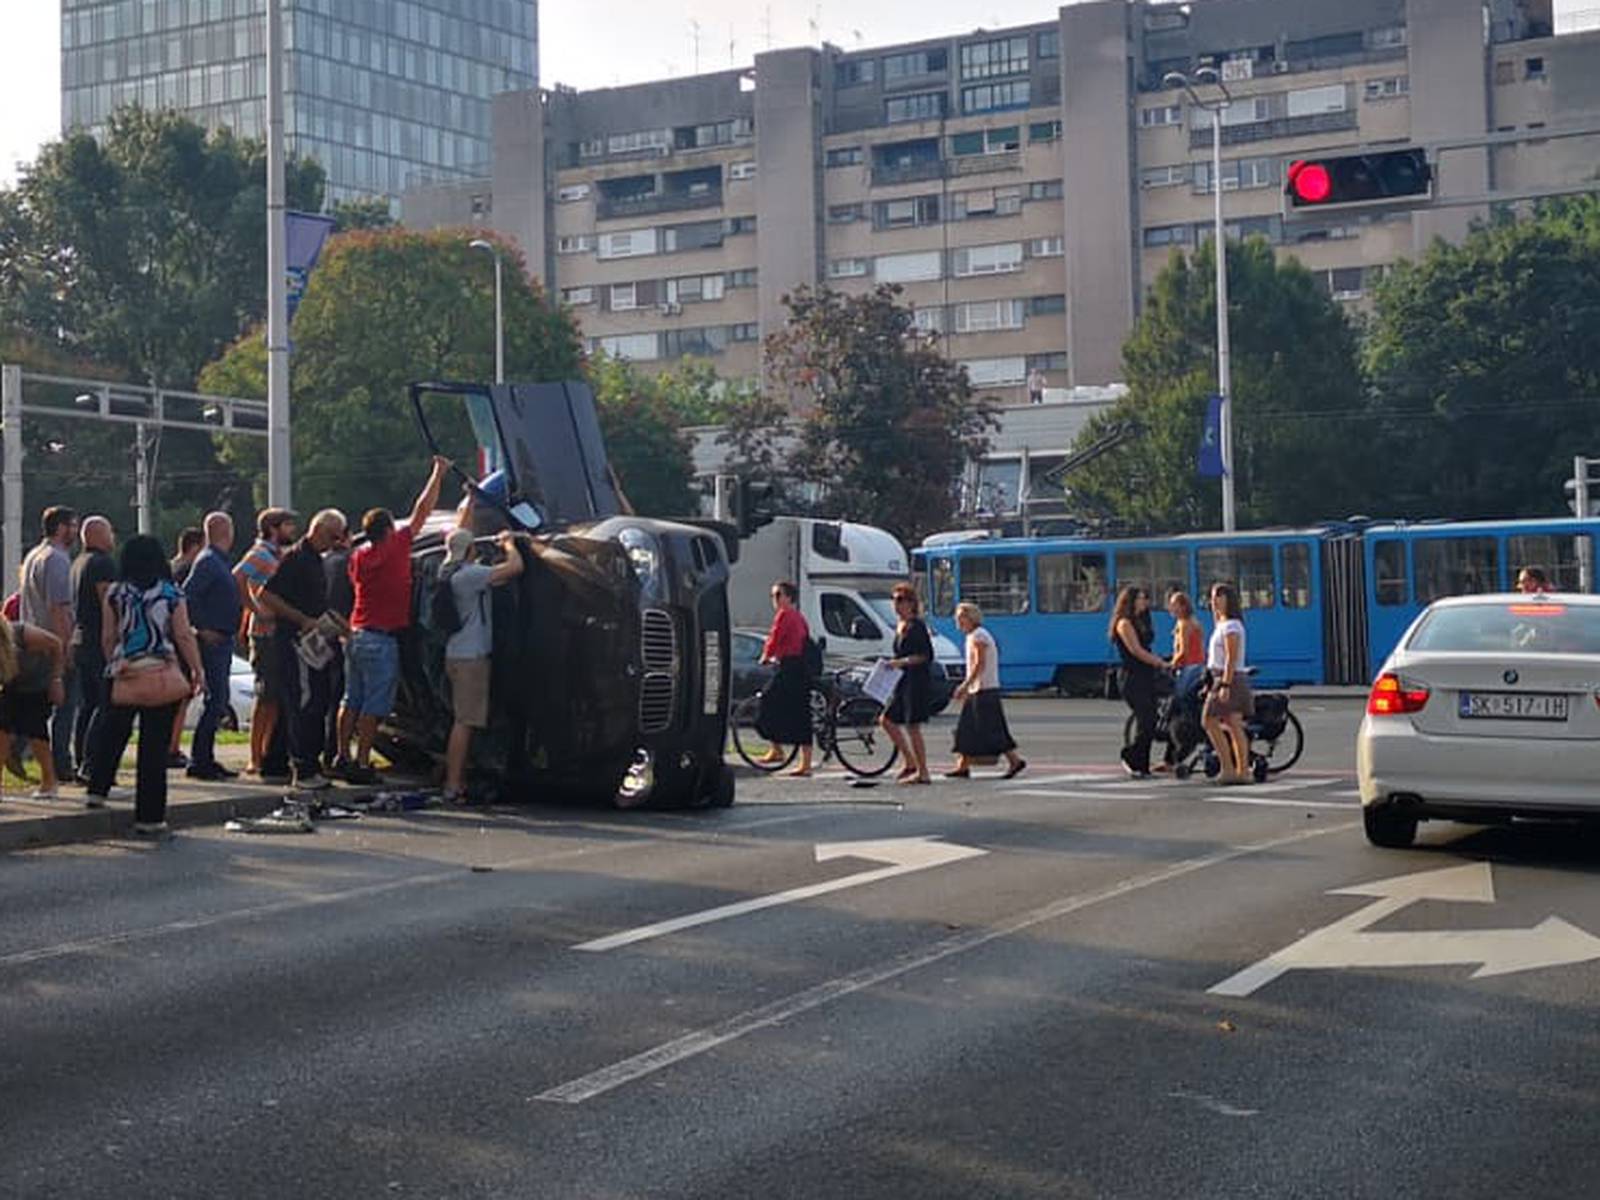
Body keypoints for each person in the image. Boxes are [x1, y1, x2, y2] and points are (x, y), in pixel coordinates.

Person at [336, 456, 450, 784]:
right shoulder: (395, 548)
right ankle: (361, 762)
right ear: (388, 531)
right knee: (374, 703)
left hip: (355, 634)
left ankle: (343, 754)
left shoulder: (360, 557)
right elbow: (422, 511)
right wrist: (438, 473)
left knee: (351, 698)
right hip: (381, 639)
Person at [87, 535, 203, 832]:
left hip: (124, 670)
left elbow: (108, 636)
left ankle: (97, 788)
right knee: (154, 746)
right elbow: (183, 635)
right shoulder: (171, 594)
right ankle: (150, 817)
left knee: (112, 733)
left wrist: (114, 662)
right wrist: (196, 669)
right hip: (161, 673)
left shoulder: (114, 593)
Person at [257, 509, 349, 790]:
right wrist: (302, 620)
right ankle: (305, 767)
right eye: (333, 536)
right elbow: (266, 594)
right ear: (319, 529)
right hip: (297, 640)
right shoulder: (296, 558)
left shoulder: (315, 560)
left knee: (297, 701)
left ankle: (275, 761)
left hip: (313, 638)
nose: (336, 543)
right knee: (307, 702)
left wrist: (337, 625)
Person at [441, 526, 525, 803]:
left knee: (464, 718)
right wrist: (509, 544)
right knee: (465, 721)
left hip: (455, 653)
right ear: (470, 550)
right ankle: (453, 784)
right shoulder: (469, 576)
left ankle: (458, 778)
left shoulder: (447, 573)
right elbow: (515, 568)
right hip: (471, 657)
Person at [234, 508, 297, 783]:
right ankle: (255, 755)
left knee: (277, 697)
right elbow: (238, 576)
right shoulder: (260, 553)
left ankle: (270, 750)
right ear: (274, 528)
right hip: (264, 632)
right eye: (288, 525)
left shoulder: (280, 554)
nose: (292, 530)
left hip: (279, 632)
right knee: (266, 695)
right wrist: (254, 608)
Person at [21, 505, 79, 790]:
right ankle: (60, 764)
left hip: (33, 641)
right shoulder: (57, 560)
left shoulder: (34, 555)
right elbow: (59, 609)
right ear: (61, 528)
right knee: (62, 707)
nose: (76, 532)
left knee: (30, 707)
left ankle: (20, 752)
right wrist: (65, 648)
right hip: (51, 644)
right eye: (73, 526)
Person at [182, 513, 241, 781]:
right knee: (216, 700)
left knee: (219, 699)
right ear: (224, 531)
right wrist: (202, 628)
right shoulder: (208, 562)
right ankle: (200, 760)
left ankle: (205, 757)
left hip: (223, 638)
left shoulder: (217, 561)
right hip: (214, 640)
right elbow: (187, 595)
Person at [947, 602, 1025, 780]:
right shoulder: (974, 635)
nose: (957, 622)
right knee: (968, 729)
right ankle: (963, 765)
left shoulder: (978, 636)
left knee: (992, 729)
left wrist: (965, 685)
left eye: (960, 618)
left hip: (984, 689)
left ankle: (1015, 760)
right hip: (979, 689)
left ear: (970, 618)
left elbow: (979, 664)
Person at [68, 516, 117, 787]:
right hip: (99, 642)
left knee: (86, 706)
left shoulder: (78, 563)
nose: (113, 537)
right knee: (103, 704)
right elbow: (108, 601)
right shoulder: (102, 564)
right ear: (98, 535)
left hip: (81, 640)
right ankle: (93, 763)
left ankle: (81, 761)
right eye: (109, 532)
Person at [0, 616, 66, 802]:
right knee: (2, 729)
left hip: (37, 683)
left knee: (35, 731)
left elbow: (56, 644)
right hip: (13, 684)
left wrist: (56, 680)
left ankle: (49, 781)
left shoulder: (21, 633)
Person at [756, 580, 814, 778]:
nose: (775, 599)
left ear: (788, 597)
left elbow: (775, 638)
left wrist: (765, 656)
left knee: (767, 700)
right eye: (773, 596)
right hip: (798, 668)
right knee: (798, 710)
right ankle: (790, 754)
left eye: (778, 595)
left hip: (791, 668)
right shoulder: (799, 617)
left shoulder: (785, 615)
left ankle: (781, 750)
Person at [1110, 586, 1169, 779]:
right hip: (1132, 677)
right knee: (1146, 719)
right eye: (1142, 598)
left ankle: (1140, 762)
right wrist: (1159, 662)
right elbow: (1136, 650)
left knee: (1151, 719)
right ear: (1131, 601)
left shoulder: (1141, 621)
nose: (1145, 602)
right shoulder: (1124, 623)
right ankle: (1134, 758)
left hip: (1146, 675)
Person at [880, 582, 933, 786]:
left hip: (916, 680)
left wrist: (901, 662)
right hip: (902, 680)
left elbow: (926, 655)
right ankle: (910, 760)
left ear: (912, 603)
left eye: (901, 600)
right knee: (887, 720)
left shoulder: (916, 626)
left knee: (913, 726)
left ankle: (923, 771)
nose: (896, 604)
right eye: (894, 600)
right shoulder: (899, 626)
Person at [1202, 582, 1253, 786]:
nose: (1213, 601)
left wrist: (1224, 685)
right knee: (1233, 725)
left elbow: (1231, 658)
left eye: (1218, 597)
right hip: (1225, 677)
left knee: (1208, 720)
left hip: (1227, 678)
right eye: (1212, 597)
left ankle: (1230, 769)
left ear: (1228, 600)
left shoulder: (1231, 626)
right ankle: (1240, 771)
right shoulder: (1223, 624)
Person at [320, 523, 355, 774]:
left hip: (321, 632)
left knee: (322, 698)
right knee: (339, 697)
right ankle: (334, 753)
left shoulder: (323, 561)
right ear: (347, 537)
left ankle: (323, 752)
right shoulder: (349, 562)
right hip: (343, 633)